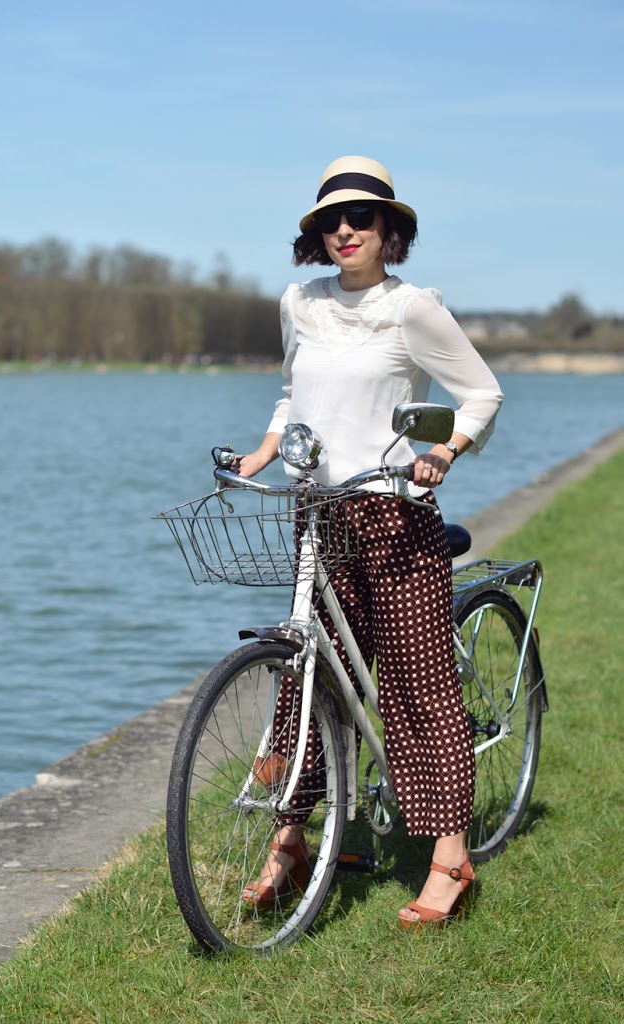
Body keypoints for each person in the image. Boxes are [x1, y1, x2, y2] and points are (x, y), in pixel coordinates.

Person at [236, 155, 503, 928]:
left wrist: (446, 449)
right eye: (331, 221)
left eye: (360, 218)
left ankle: (450, 859)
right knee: (309, 681)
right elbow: (295, 391)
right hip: (318, 513)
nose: (345, 230)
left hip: (394, 513)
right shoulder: (300, 301)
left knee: (419, 688)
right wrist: (263, 450)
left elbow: (480, 391)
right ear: (318, 235)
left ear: (390, 229)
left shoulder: (412, 308)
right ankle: (293, 844)